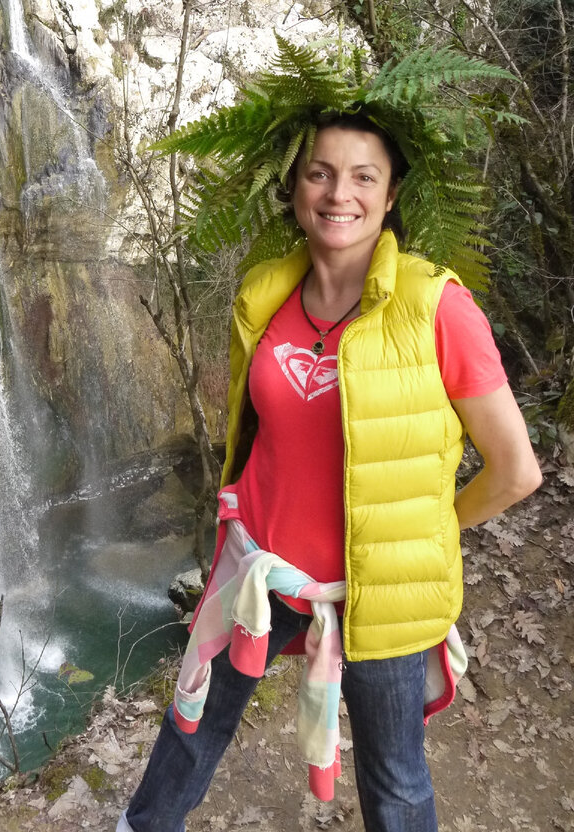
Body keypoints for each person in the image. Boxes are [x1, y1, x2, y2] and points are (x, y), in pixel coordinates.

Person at [118, 112, 542, 832]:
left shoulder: (434, 306)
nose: (338, 193)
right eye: (319, 172)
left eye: (362, 176)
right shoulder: (263, 296)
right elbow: (258, 433)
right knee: (192, 722)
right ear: (293, 186)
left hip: (377, 586)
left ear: (392, 192)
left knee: (394, 776)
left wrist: (424, 533)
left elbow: (515, 470)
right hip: (260, 569)